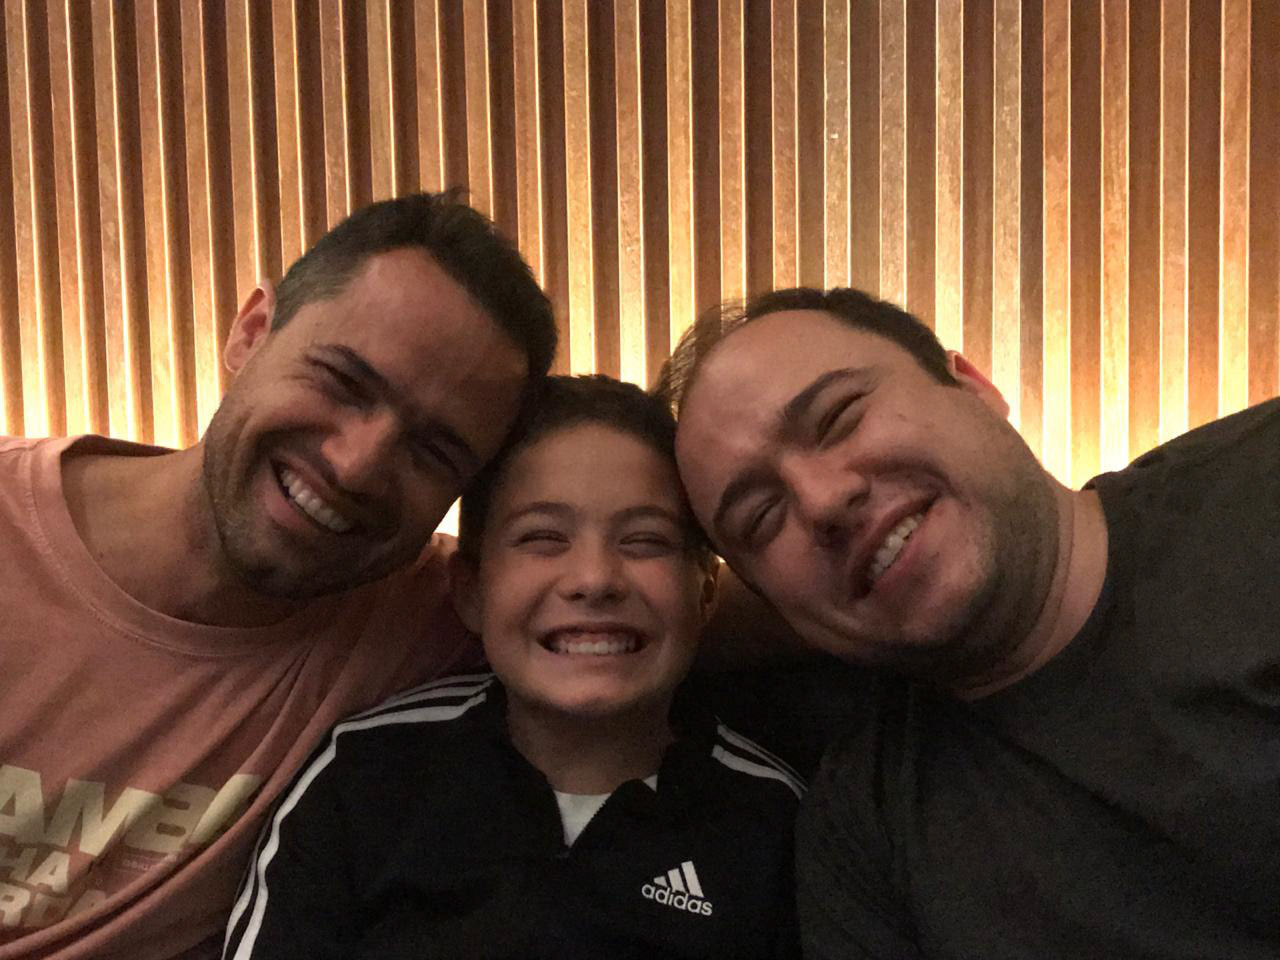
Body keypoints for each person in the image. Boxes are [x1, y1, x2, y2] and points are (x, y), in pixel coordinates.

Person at [0, 191, 556, 960]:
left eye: (433, 452)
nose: (355, 467)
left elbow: (679, 612)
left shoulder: (437, 614)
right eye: (342, 382)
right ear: (251, 331)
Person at [659, 286, 1280, 959]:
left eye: (839, 417)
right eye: (761, 517)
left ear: (975, 388)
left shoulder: (1257, 492)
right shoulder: (866, 840)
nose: (824, 500)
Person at [222, 375, 804, 960]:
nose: (595, 579)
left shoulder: (777, 820)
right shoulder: (365, 774)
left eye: (645, 541)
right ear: (470, 591)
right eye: (543, 537)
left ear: (706, 593)